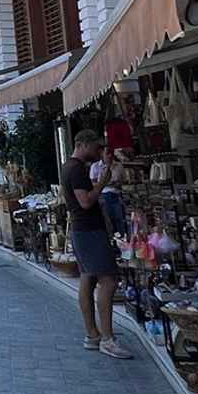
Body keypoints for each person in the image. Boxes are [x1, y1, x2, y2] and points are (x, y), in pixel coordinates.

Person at [61, 129, 131, 359]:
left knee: (88, 279)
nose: (97, 151)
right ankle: (108, 339)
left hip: (82, 230)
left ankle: (93, 335)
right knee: (108, 281)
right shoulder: (76, 169)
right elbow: (85, 201)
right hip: (89, 230)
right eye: (95, 147)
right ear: (83, 144)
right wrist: (103, 182)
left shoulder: (69, 167)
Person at [90, 147, 127, 236]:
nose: (110, 156)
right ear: (102, 154)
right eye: (107, 153)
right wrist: (104, 183)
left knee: (119, 219)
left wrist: (115, 183)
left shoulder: (118, 166)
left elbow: (123, 181)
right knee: (108, 220)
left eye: (111, 153)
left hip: (116, 194)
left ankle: (121, 237)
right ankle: (111, 237)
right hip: (103, 195)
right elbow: (93, 184)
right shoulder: (95, 166)